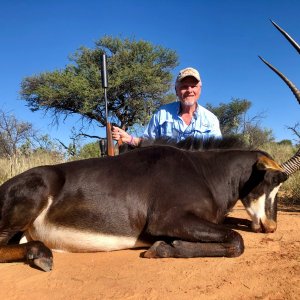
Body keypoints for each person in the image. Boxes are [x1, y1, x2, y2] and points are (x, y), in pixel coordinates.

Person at [112, 67, 222, 146]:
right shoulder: (162, 114)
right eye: (184, 86)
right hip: (167, 174)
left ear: (199, 89)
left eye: (193, 86)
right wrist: (129, 138)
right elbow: (147, 142)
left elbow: (218, 153)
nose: (189, 90)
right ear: (176, 90)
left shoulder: (211, 120)